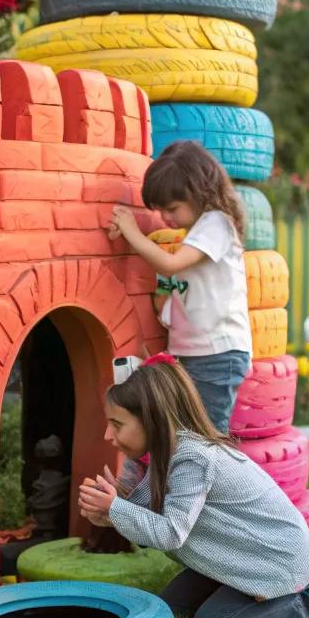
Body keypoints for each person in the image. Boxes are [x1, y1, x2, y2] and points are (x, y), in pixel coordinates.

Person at [78, 356, 309, 618]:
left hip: (278, 558)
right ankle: (234, 587)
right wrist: (110, 514)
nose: (108, 434)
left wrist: (116, 508)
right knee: (170, 610)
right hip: (239, 552)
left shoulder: (192, 459)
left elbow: (170, 533)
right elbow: (150, 524)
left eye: (117, 425)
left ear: (152, 419)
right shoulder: (164, 454)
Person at [108, 140, 251, 433]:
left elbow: (169, 265)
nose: (165, 218)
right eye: (160, 211)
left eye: (172, 208)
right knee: (191, 435)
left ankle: (220, 481)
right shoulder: (196, 233)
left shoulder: (216, 224)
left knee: (208, 439)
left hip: (216, 355)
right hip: (195, 354)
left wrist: (132, 232)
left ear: (200, 192)